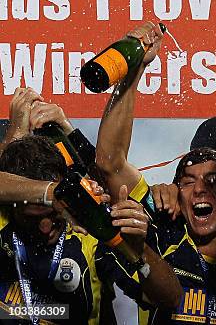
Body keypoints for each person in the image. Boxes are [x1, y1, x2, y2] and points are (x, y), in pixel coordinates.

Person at [94, 22, 216, 324]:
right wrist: (133, 71)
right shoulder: (162, 230)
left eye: (213, 180)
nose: (199, 190)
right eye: (187, 181)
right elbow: (110, 163)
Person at [0, 135, 181, 324]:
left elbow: (169, 299)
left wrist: (140, 249)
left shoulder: (91, 236)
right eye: (31, 219)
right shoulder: (3, 217)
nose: (45, 228)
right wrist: (50, 192)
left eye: (55, 214)